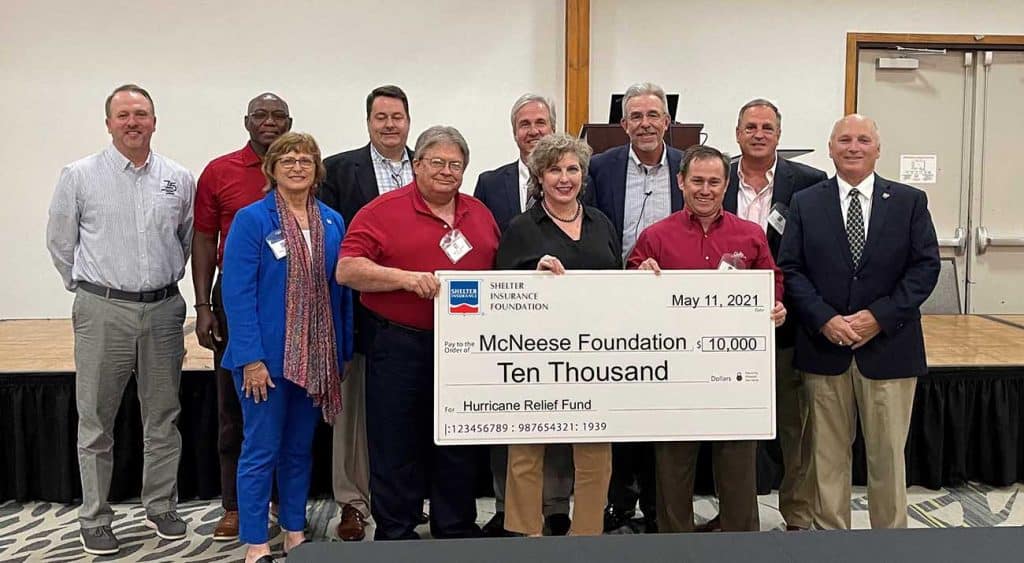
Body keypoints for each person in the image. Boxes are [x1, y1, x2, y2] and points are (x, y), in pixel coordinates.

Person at [46, 83, 195, 555]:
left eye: (142, 114)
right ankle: (94, 517)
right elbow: (59, 242)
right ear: (108, 123)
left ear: (155, 121)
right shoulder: (80, 175)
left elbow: (186, 238)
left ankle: (161, 505)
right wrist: (89, 291)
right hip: (102, 309)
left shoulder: (178, 177)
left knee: (163, 415)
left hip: (163, 309)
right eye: (124, 115)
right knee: (96, 420)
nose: (133, 122)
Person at [336, 126, 499, 540]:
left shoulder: (478, 213)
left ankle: (455, 525)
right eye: (437, 162)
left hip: (463, 347)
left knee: (459, 437)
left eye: (456, 164)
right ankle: (396, 529)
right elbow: (347, 268)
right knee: (396, 440)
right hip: (399, 341)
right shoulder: (380, 211)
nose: (447, 171)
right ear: (417, 164)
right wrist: (405, 279)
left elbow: (501, 269)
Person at [777, 114, 939, 530]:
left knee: (887, 459)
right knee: (827, 459)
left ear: (877, 149)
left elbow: (925, 268)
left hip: (890, 350)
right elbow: (790, 269)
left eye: (863, 139)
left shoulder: (908, 201)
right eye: (844, 139)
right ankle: (834, 544)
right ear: (830, 148)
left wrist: (877, 318)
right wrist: (825, 319)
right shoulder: (806, 202)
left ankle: (890, 545)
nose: (853, 147)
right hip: (824, 349)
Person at [628, 145, 787, 533]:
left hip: (735, 374)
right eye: (696, 180)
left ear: (725, 184)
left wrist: (776, 307)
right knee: (672, 470)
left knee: (737, 470)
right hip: (675, 374)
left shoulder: (749, 235)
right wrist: (639, 274)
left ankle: (740, 547)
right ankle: (675, 548)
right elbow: (629, 292)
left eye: (714, 182)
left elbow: (773, 282)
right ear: (680, 182)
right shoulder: (655, 237)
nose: (705, 189)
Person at [221, 132, 354, 563]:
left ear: (317, 170)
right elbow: (236, 294)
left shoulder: (333, 221)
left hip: (317, 359)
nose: (297, 166)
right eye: (288, 159)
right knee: (261, 450)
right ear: (272, 168)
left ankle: (295, 530)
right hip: (266, 361)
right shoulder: (252, 220)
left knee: (299, 450)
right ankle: (257, 541)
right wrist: (250, 359)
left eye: (305, 160)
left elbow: (343, 292)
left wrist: (342, 352)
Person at [696, 99, 828, 532]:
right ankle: (734, 514)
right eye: (749, 126)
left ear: (778, 134)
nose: (758, 133)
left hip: (785, 327)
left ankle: (798, 515)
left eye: (767, 127)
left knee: (793, 429)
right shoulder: (715, 180)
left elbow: (812, 258)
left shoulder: (809, 184)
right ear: (736, 133)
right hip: (723, 333)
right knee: (733, 429)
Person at [496, 133, 618, 537]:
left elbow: (617, 285)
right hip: (534, 356)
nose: (564, 178)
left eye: (573, 169)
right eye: (555, 170)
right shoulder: (520, 228)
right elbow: (501, 293)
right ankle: (525, 534)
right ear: (539, 177)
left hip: (595, 355)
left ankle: (587, 535)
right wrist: (533, 278)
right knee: (527, 450)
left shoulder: (602, 223)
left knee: (595, 451)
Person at [192, 92, 292, 541]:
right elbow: (204, 238)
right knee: (235, 406)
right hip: (237, 301)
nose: (269, 122)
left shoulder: (302, 167)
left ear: (289, 122)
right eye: (260, 115)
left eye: (277, 116)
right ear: (246, 121)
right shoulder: (220, 171)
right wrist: (203, 306)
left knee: (290, 405)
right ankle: (234, 504)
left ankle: (282, 501)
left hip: (294, 301)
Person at [585, 81, 684, 532]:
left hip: (676, 305)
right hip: (614, 302)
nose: (645, 124)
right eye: (636, 117)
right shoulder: (600, 168)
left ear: (667, 121)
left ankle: (662, 503)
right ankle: (619, 500)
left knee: (664, 403)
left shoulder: (688, 167)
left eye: (653, 115)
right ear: (623, 125)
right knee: (618, 403)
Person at [473, 93, 573, 537]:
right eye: (524, 123)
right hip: (508, 322)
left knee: (561, 416)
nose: (533, 130)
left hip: (567, 325)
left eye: (541, 122)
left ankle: (555, 506)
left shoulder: (573, 183)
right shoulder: (490, 183)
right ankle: (506, 504)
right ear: (513, 132)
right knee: (509, 417)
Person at [319, 85, 414, 540]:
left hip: (420, 315)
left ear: (408, 121)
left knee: (407, 414)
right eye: (381, 117)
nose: (390, 125)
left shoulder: (430, 165)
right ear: (368, 122)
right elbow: (334, 251)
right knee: (353, 415)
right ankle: (353, 505)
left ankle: (404, 502)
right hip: (359, 312)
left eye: (397, 117)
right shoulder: (339, 170)